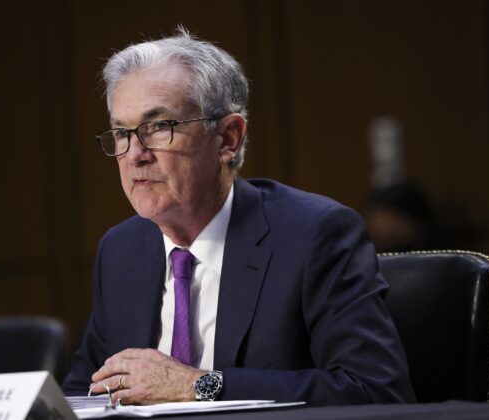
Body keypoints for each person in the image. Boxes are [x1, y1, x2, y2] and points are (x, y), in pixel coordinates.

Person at [62, 27, 415, 406]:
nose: (135, 154)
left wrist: (199, 386)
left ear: (228, 138)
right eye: (121, 133)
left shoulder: (314, 235)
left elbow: (377, 392)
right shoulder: (120, 251)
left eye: (158, 127)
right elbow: (81, 396)